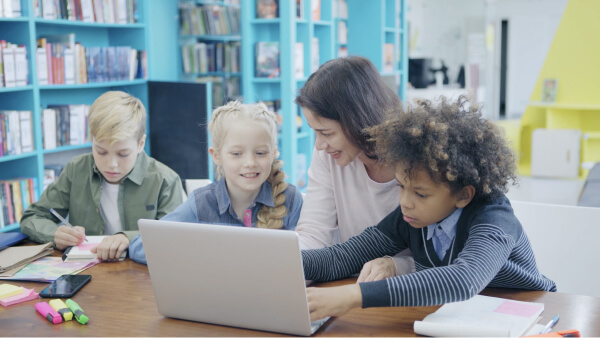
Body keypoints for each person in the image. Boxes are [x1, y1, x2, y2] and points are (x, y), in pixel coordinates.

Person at [302, 96, 557, 321]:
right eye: (401, 186)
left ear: (463, 195)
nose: (405, 201)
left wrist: (354, 295)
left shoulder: (494, 218)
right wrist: (277, 261)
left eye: (421, 194)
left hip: (530, 313)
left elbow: (463, 279)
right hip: (461, 315)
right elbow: (341, 257)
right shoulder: (412, 217)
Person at [129, 100, 303, 264]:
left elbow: (309, 258)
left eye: (260, 153)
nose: (250, 163)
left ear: (273, 153)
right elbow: (140, 247)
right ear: (216, 156)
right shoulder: (200, 203)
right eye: (236, 153)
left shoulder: (291, 199)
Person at [20, 91, 184, 261]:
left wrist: (127, 238)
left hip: (142, 275)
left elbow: (175, 235)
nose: (111, 164)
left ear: (140, 144)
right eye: (101, 151)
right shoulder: (76, 169)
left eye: (123, 154)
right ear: (92, 140)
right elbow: (33, 216)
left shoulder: (165, 180)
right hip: (88, 272)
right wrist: (54, 234)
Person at [295, 55, 414, 281]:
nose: (319, 145)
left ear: (358, 121)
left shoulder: (417, 159)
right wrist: (281, 265)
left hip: (416, 291)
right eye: (315, 132)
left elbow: (445, 256)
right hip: (355, 286)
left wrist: (399, 266)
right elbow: (314, 233)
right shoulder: (328, 154)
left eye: (327, 133)